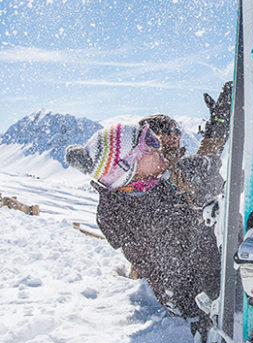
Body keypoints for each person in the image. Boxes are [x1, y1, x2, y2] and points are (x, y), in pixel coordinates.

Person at [65, 83, 232, 321]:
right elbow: (173, 271)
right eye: (159, 134)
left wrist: (219, 124)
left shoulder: (162, 173)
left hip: (218, 271)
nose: (172, 136)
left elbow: (207, 158)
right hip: (203, 296)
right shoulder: (130, 205)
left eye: (176, 130)